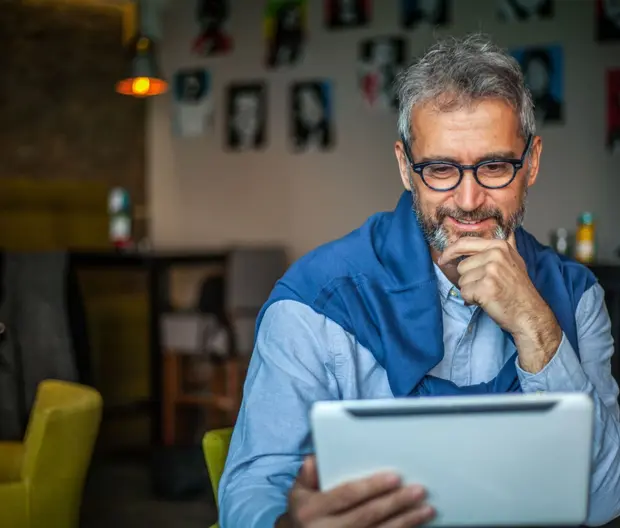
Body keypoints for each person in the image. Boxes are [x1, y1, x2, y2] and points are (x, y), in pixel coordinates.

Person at [219, 34, 620, 527]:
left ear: (531, 163)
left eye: (494, 166)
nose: (469, 200)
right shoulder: (316, 301)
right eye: (441, 169)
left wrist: (536, 326)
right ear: (407, 169)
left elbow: (605, 502)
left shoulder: (577, 299)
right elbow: (252, 487)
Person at [520, 47, 562, 123]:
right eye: (534, 72)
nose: (537, 78)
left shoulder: (557, 109)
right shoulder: (519, 111)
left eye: (541, 72)